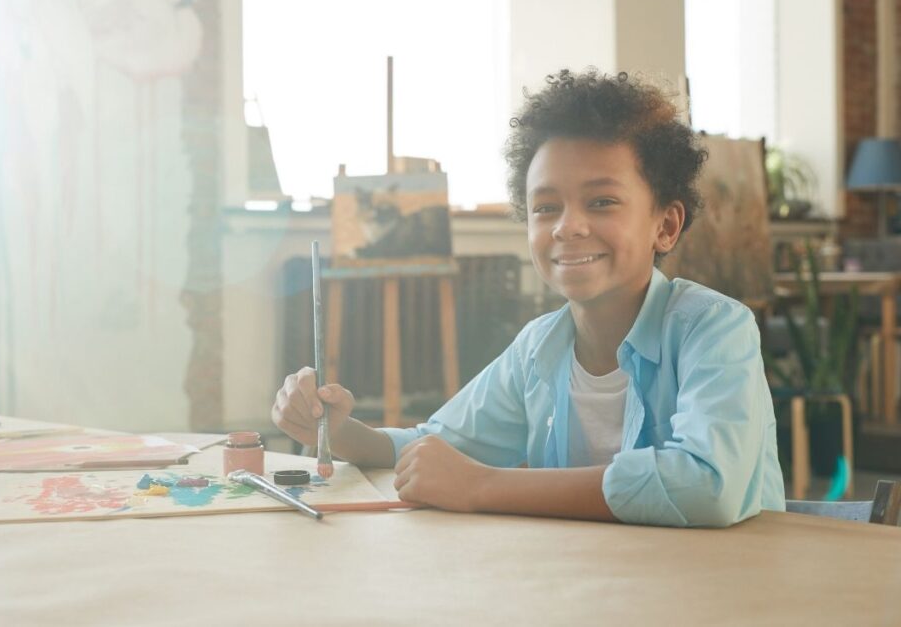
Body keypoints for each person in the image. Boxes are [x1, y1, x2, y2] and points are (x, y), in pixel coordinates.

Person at [272, 69, 786, 527]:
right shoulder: (540, 347)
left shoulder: (715, 329)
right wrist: (340, 432)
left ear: (666, 225)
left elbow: (706, 485)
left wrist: (483, 487)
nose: (568, 227)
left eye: (602, 201)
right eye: (546, 207)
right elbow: (436, 447)